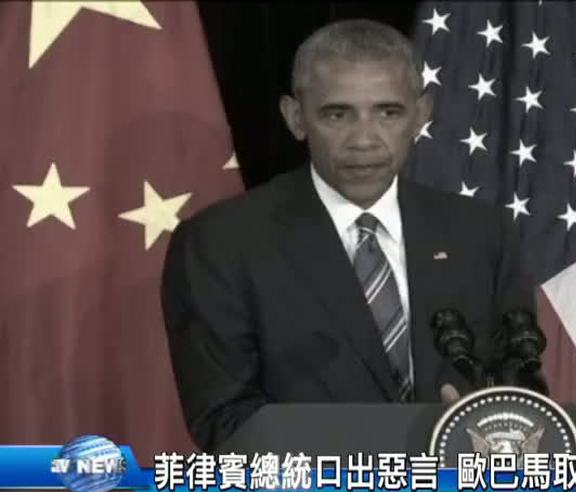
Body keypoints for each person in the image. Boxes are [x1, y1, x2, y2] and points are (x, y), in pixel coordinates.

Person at [161, 19, 534, 452]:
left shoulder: (480, 232)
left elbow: (519, 384)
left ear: (421, 115)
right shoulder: (220, 243)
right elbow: (225, 421)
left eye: (388, 113)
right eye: (337, 114)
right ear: (296, 118)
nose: (364, 140)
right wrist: (398, 456)